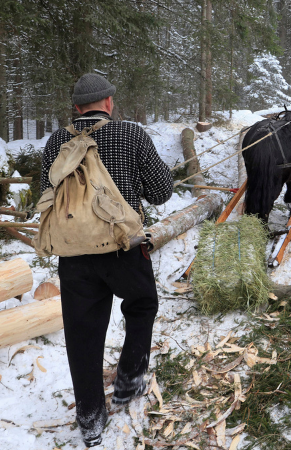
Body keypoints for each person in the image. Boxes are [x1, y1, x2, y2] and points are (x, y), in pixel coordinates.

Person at [40, 73, 173, 447]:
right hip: (123, 247)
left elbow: (45, 191)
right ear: (109, 103)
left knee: (81, 332)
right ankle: (130, 376)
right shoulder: (131, 135)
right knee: (143, 304)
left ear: (77, 108)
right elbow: (162, 192)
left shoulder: (56, 142)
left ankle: (90, 418)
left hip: (74, 254)